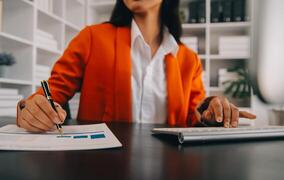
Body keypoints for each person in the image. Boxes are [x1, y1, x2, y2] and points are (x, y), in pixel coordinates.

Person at [16, 0, 256, 132]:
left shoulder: (188, 59)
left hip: (173, 173)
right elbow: (50, 93)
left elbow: (195, 115)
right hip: (98, 170)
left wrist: (212, 113)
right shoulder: (91, 38)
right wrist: (31, 108)